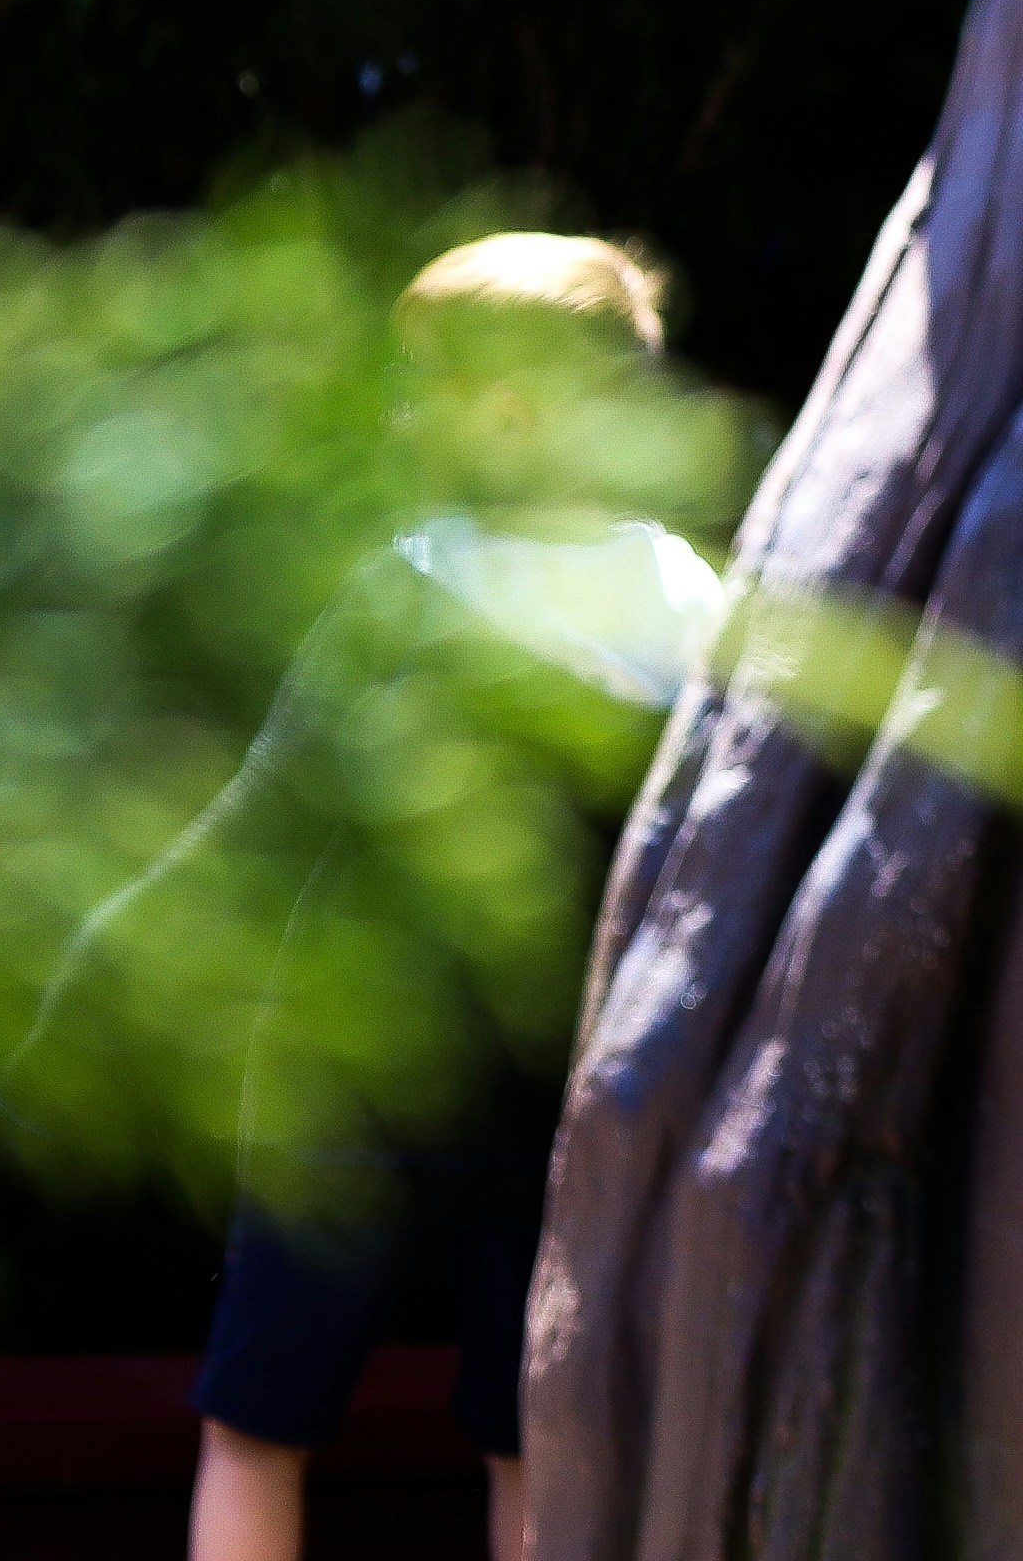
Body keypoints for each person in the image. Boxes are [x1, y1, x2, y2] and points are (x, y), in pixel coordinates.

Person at [127, 232, 726, 1561]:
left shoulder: (409, 579)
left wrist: (127, 946)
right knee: (532, 1424)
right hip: (560, 1075)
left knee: (257, 1418)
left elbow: (267, 807)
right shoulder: (682, 596)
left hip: (359, 1066)